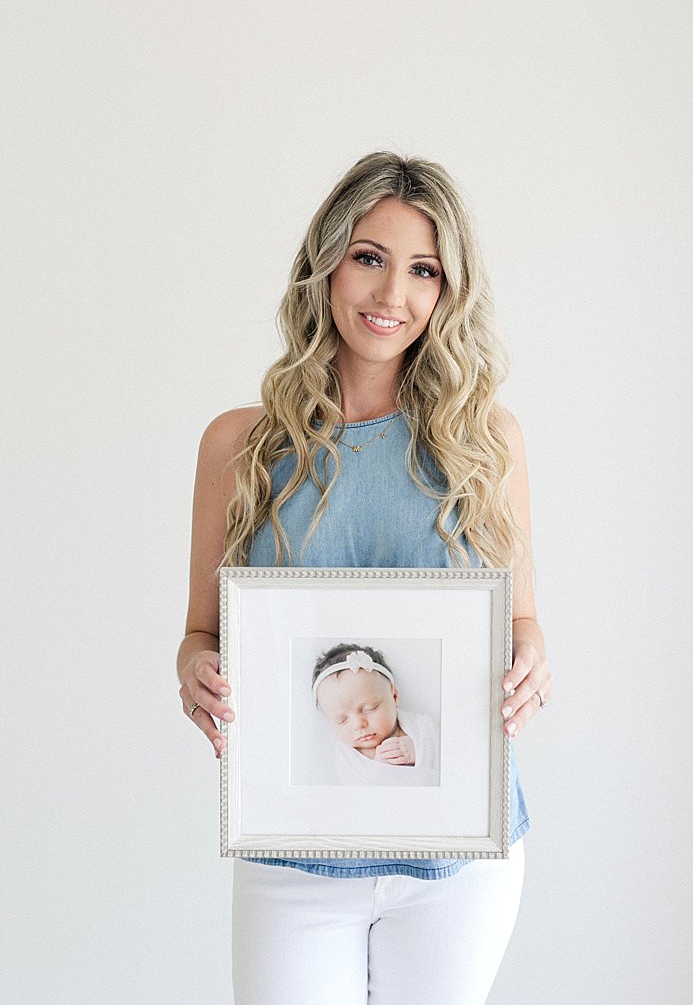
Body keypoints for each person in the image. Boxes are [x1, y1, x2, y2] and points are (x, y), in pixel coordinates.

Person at [176, 151, 550, 1004]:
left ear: (448, 293)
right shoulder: (237, 445)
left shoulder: (488, 440)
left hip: (458, 857)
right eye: (370, 258)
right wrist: (194, 670)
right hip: (293, 855)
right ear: (327, 262)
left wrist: (532, 663)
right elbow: (200, 632)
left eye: (424, 270)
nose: (392, 296)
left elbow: (524, 622)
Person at [312, 643, 439, 787]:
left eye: (369, 708)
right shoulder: (347, 759)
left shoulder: (422, 730)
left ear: (394, 696)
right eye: (342, 720)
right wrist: (382, 771)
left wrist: (417, 751)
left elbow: (451, 761)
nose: (358, 724)